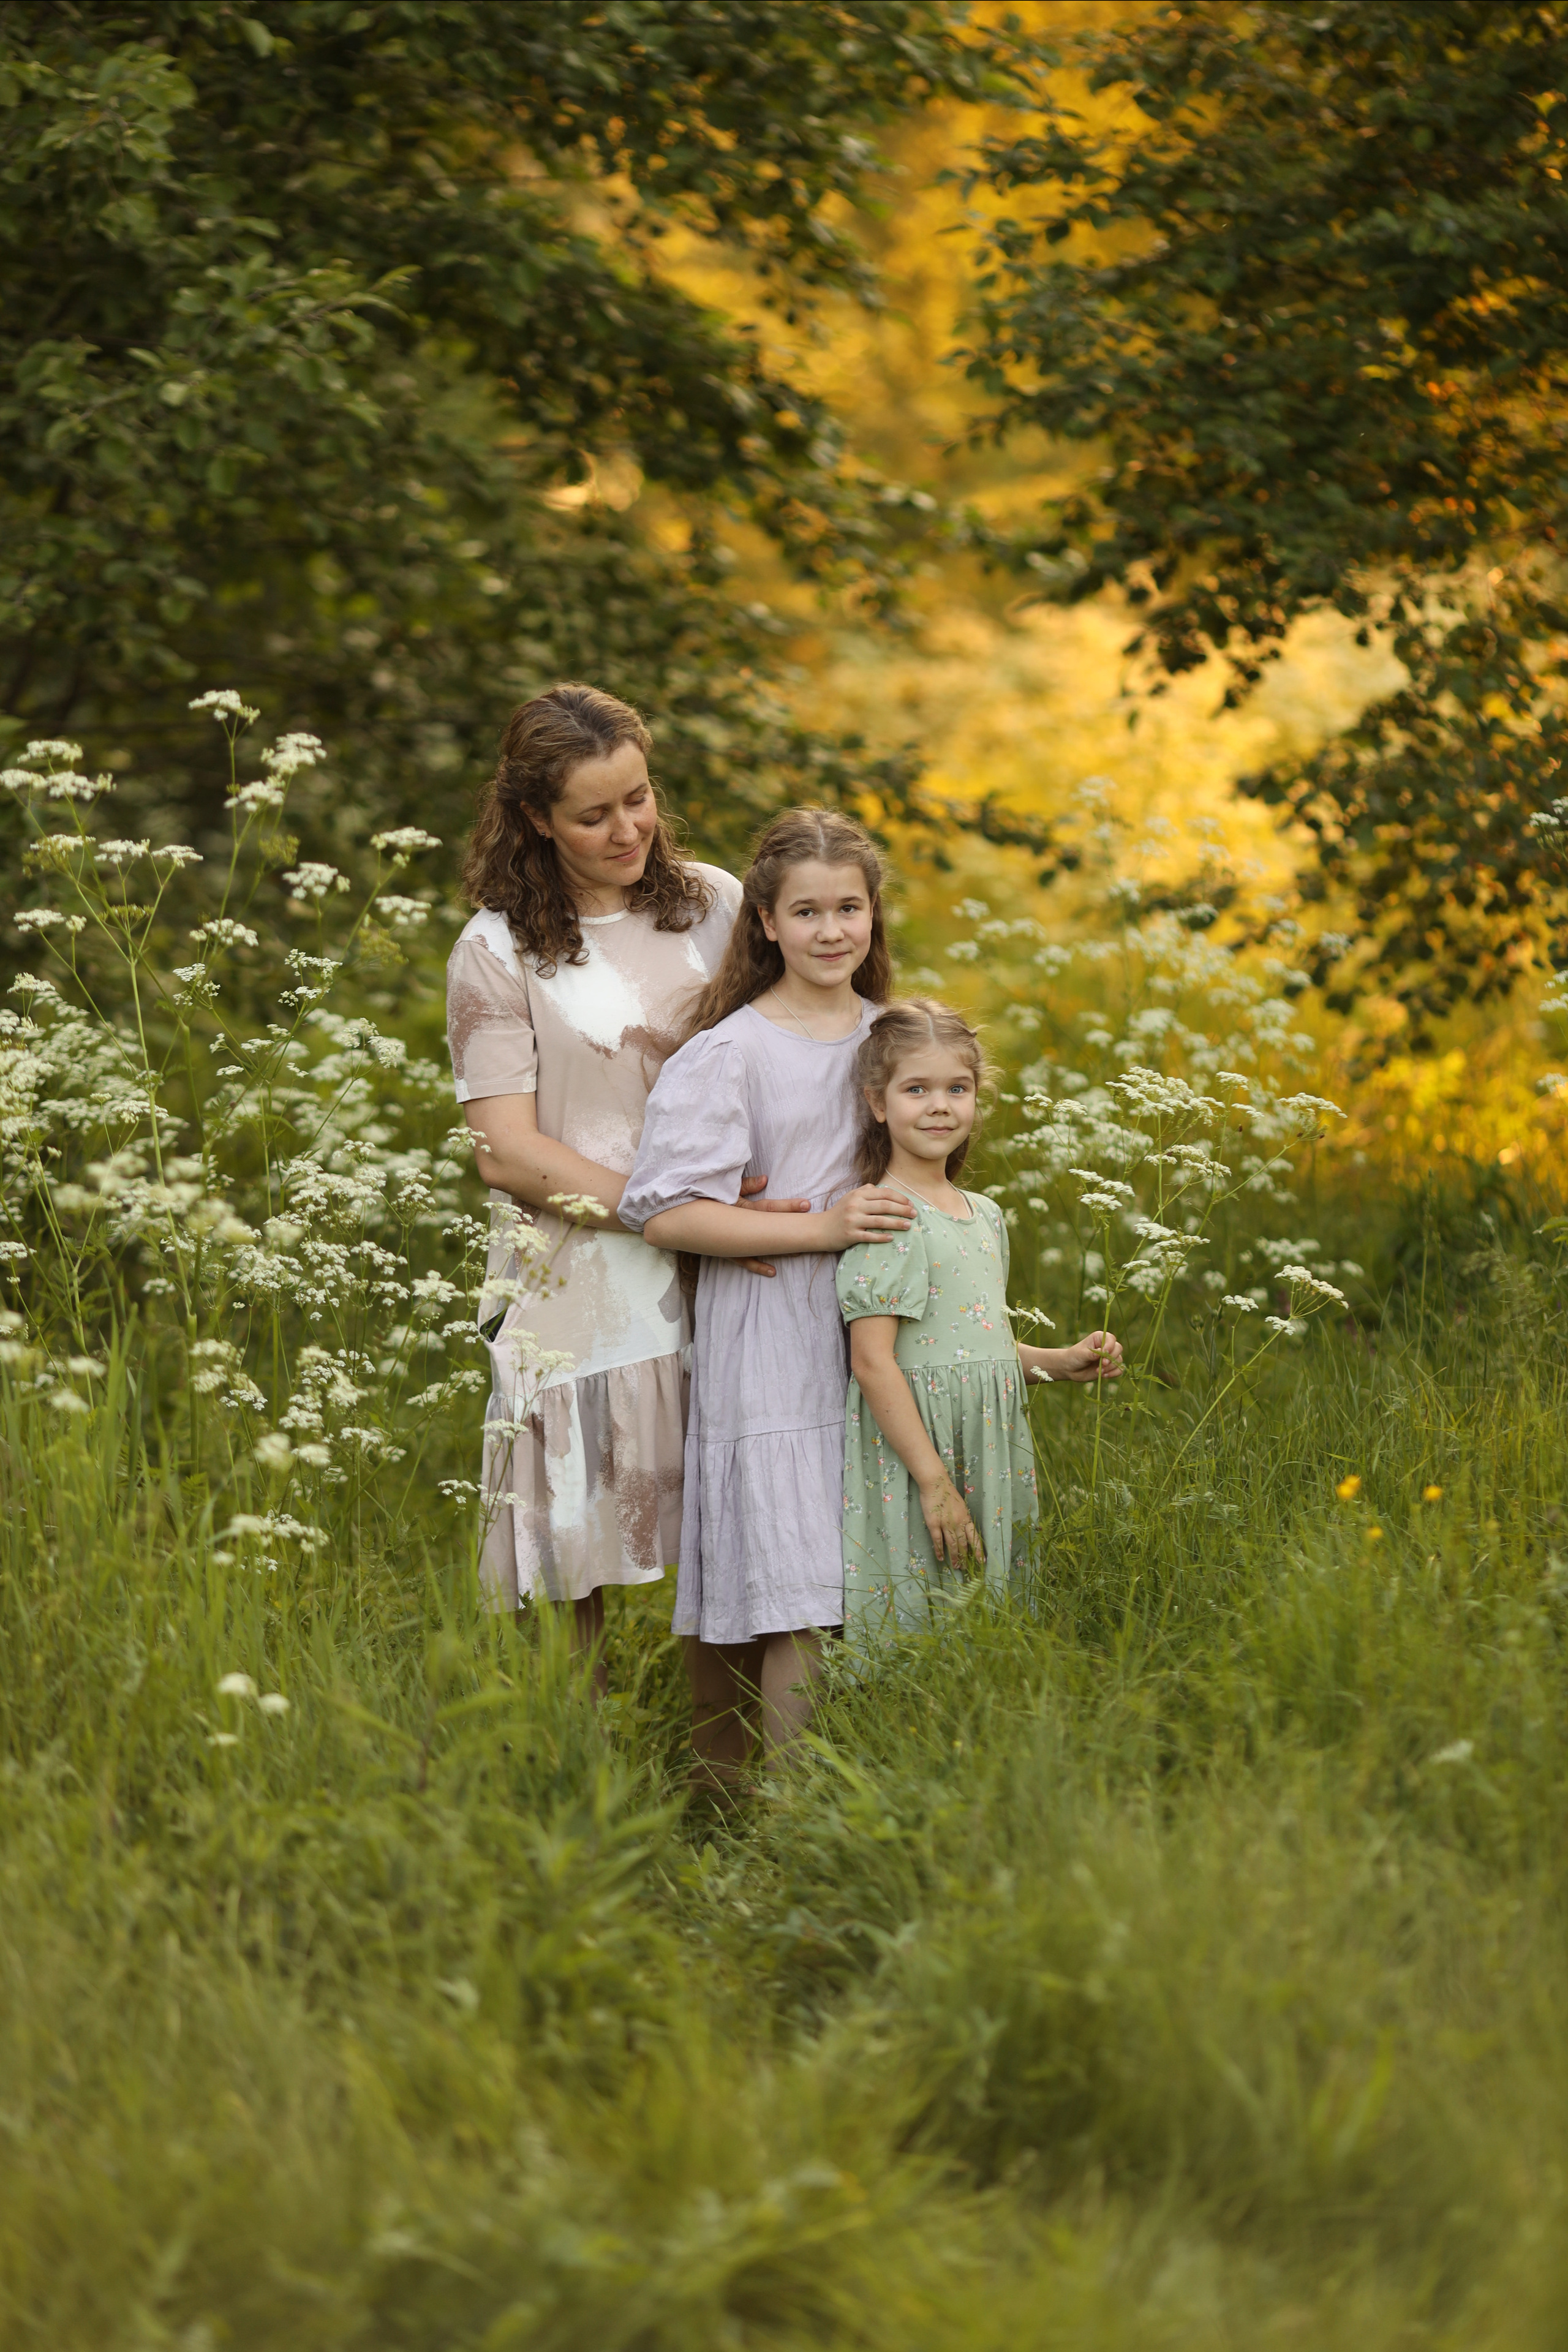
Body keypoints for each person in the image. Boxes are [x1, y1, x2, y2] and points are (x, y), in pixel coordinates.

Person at [445, 682, 800, 1695]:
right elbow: (508, 1152)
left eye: (638, 800)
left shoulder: (721, 906)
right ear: (533, 819)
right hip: (579, 1288)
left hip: (731, 1268)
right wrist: (670, 1216)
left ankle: (723, 1790)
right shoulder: (494, 950)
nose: (626, 830)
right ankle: (578, 1785)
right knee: (568, 1566)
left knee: (735, 1542)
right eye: (593, 815)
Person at [617, 809, 916, 1775]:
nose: (833, 931)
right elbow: (666, 1213)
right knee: (794, 1583)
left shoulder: (894, 1043)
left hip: (875, 1333)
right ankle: (779, 1825)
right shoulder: (732, 1051)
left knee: (852, 1575)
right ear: (767, 924)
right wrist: (818, 1229)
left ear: (874, 916)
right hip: (772, 1338)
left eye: (850, 908)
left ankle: (817, 1797)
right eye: (808, 911)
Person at [836, 998, 1124, 1635]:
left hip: (989, 1451)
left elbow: (976, 1344)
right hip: (920, 1453)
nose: (940, 1105)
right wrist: (933, 1480)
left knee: (985, 1622)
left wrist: (1059, 1362)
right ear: (877, 1102)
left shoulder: (984, 1213)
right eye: (917, 1089)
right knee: (921, 1615)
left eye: (956, 1089)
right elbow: (873, 1360)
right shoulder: (889, 1215)